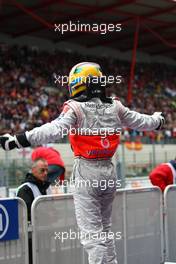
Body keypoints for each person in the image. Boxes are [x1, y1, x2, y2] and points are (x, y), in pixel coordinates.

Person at [0, 62, 165, 264]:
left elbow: (53, 129)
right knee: (104, 230)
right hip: (109, 172)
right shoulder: (115, 105)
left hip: (86, 172)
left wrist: (17, 139)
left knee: (92, 237)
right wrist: (158, 120)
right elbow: (142, 121)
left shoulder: (75, 107)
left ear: (79, 83)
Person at [17, 158, 52, 264]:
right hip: (30, 237)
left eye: (47, 170)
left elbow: (53, 208)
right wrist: (47, 215)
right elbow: (25, 213)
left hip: (45, 233)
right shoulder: (25, 189)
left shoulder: (46, 187)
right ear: (33, 170)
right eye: (42, 170)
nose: (45, 173)